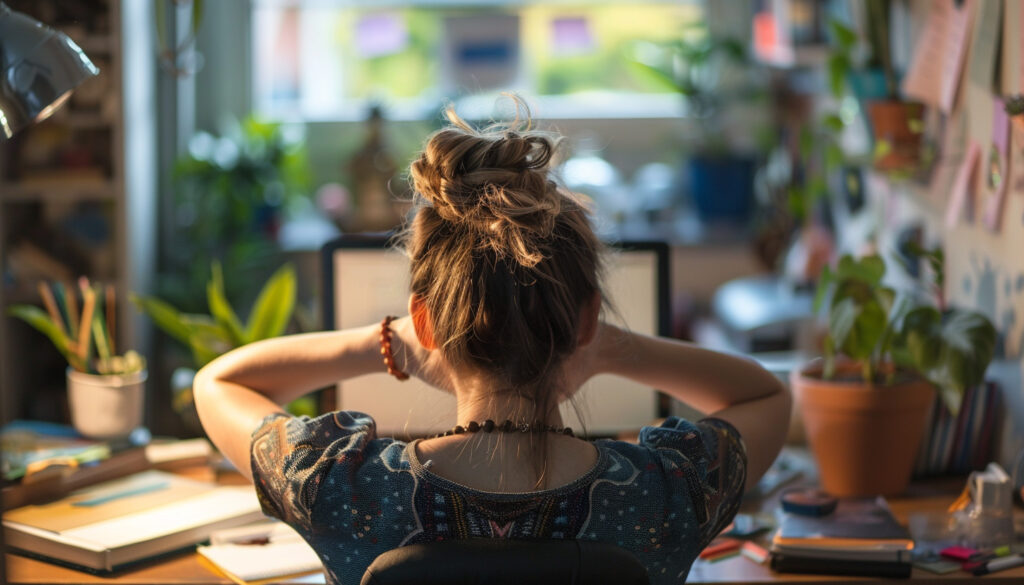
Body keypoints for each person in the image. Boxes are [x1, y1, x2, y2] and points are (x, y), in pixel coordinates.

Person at [194, 99, 790, 584]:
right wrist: (603, 344)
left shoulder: (340, 487)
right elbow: (767, 397)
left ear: (426, 323)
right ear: (582, 324)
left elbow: (220, 381)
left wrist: (395, 342)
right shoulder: (667, 493)